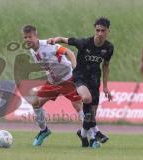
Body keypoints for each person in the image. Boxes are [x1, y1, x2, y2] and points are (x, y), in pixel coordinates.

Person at [48, 17, 114, 147]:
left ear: (108, 31)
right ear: (95, 30)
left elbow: (106, 66)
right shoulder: (84, 42)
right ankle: (97, 132)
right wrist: (55, 40)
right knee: (86, 98)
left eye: (103, 31)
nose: (100, 33)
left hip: (95, 80)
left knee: (91, 115)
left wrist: (105, 87)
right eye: (97, 30)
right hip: (80, 78)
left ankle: (83, 135)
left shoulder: (109, 47)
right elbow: (64, 40)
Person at [22, 25, 83, 147]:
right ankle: (44, 131)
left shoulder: (49, 45)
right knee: (35, 102)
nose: (28, 39)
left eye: (30, 37)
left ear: (36, 36)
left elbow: (69, 52)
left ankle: (89, 134)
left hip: (68, 79)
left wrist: (75, 69)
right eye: (25, 37)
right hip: (52, 82)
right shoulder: (32, 51)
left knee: (78, 107)